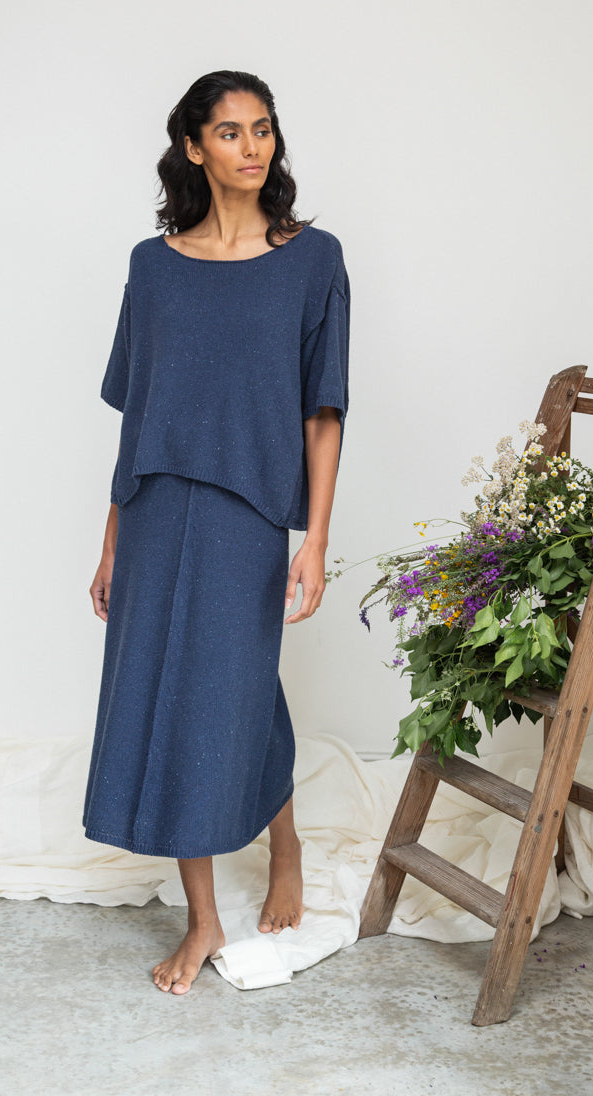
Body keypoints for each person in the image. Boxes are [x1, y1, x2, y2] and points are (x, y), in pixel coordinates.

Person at [83, 69, 350, 995]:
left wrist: (315, 538)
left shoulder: (313, 259)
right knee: (172, 691)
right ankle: (202, 918)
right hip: (156, 507)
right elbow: (137, 414)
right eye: (230, 132)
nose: (252, 147)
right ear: (194, 148)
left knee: (236, 684)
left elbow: (323, 409)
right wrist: (111, 541)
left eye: (262, 128)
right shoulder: (153, 265)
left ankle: (285, 842)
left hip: (248, 510)